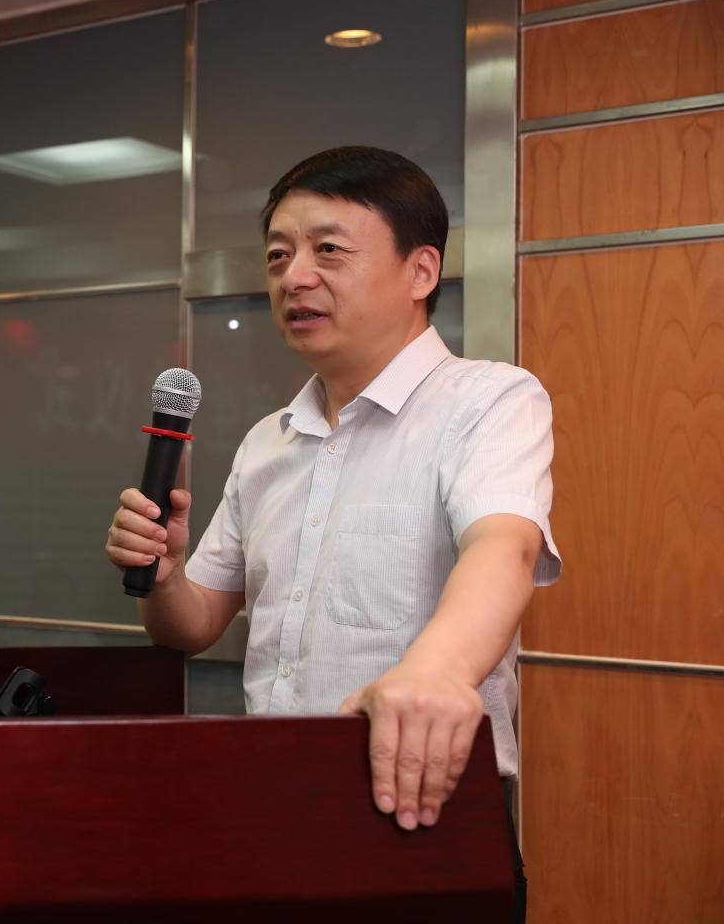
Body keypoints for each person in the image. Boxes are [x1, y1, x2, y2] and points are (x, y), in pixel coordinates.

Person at [104, 146, 557, 919]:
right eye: (279, 255)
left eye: (329, 250)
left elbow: (504, 545)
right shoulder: (267, 441)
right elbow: (191, 626)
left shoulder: (488, 401)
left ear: (421, 271)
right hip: (270, 807)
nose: (295, 277)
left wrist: (434, 673)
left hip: (420, 812)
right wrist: (166, 574)